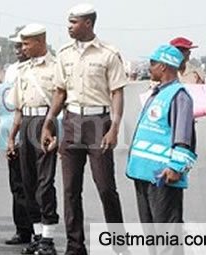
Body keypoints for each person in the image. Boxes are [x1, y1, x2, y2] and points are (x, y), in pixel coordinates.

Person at [40, 4, 128, 255]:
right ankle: (75, 246)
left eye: (74, 22)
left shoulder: (108, 53)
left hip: (98, 123)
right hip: (70, 121)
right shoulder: (65, 54)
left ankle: (119, 245)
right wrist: (49, 121)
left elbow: (117, 92)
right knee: (70, 190)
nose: (69, 27)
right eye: (69, 22)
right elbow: (59, 91)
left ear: (88, 23)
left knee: (105, 187)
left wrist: (114, 127)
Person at [126, 45, 197, 255]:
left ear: (164, 66)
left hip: (163, 175)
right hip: (144, 172)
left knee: (167, 232)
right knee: (151, 230)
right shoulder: (157, 93)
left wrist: (176, 167)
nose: (149, 68)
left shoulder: (179, 96)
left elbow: (183, 136)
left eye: (152, 63)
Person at [10, 24, 59, 255]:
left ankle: (48, 240)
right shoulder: (22, 70)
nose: (23, 48)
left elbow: (63, 103)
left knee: (44, 183)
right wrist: (12, 137)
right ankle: (38, 236)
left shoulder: (56, 66)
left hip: (46, 124)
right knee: (28, 182)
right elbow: (18, 109)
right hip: (26, 125)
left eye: (27, 43)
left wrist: (57, 132)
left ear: (41, 41)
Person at [3, 30, 36, 247]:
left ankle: (41, 231)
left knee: (37, 183)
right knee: (18, 183)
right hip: (14, 128)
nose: (19, 50)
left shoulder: (45, 68)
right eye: (16, 46)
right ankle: (22, 230)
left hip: (36, 127)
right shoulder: (11, 71)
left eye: (22, 45)